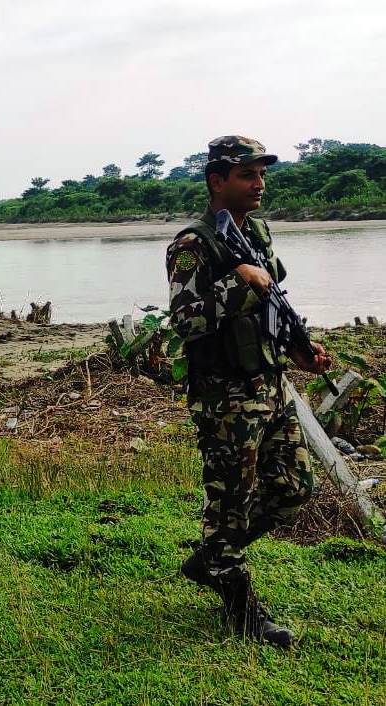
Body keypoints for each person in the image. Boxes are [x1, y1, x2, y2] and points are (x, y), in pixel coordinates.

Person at [167, 136, 332, 648]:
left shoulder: (256, 232)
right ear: (217, 181)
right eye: (247, 175)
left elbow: (273, 300)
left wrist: (298, 346)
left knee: (293, 487)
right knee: (230, 505)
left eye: (262, 174)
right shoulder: (192, 245)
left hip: (271, 384)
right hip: (226, 397)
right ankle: (242, 609)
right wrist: (240, 285)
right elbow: (185, 321)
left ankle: (212, 557)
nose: (259, 184)